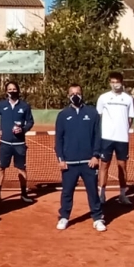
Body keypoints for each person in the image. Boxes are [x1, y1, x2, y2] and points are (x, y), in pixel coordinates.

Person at [54, 84, 105, 231]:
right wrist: (61, 159)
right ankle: (64, 217)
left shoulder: (92, 113)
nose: (75, 95)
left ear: (82, 94)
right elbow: (59, 139)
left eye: (78, 93)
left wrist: (96, 156)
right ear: (68, 95)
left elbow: (97, 136)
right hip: (69, 163)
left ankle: (97, 218)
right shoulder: (63, 115)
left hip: (89, 162)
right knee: (67, 192)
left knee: (93, 192)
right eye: (72, 93)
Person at [0, 81, 35, 204]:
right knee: (1, 168)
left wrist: (23, 130)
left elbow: (30, 122)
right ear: (6, 91)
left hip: (19, 144)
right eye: (10, 89)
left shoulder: (25, 106)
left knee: (21, 169)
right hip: (5, 143)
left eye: (14, 89)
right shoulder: (1, 105)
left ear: (18, 90)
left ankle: (24, 194)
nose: (12, 91)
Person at [96, 72, 134, 205]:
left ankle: (123, 195)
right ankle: (101, 194)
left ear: (122, 82)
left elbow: (130, 119)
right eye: (112, 82)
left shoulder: (128, 99)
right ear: (109, 83)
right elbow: (98, 117)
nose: (115, 84)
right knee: (104, 165)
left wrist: (123, 130)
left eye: (117, 82)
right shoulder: (103, 98)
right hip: (106, 138)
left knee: (122, 166)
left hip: (122, 139)